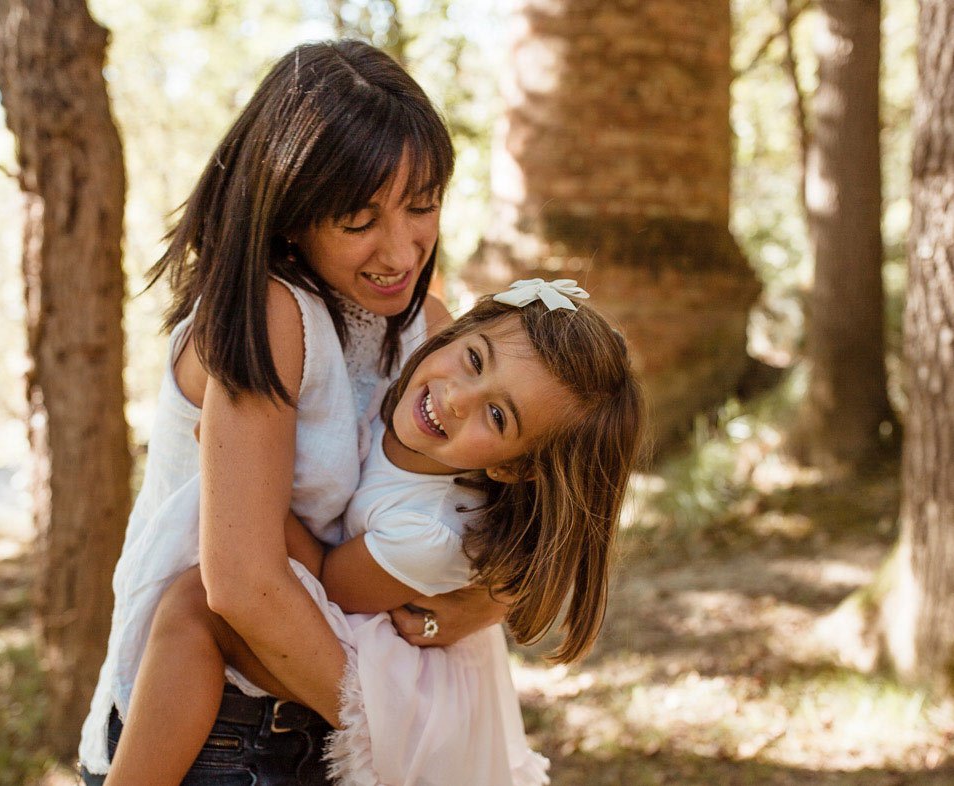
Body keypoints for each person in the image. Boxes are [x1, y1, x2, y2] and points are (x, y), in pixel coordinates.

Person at [78, 40, 505, 785]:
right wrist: (397, 726)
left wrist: (481, 605)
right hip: (219, 735)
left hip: (325, 723)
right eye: (357, 219)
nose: (400, 250)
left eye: (422, 205)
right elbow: (242, 585)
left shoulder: (426, 329)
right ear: (289, 213)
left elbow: (496, 514)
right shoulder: (270, 314)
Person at [103, 280, 645, 786]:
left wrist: (235, 471)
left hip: (388, 652)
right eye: (476, 360)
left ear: (512, 468)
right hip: (358, 607)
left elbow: (328, 581)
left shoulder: (429, 532)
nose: (460, 397)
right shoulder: (416, 372)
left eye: (498, 416)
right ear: (455, 333)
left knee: (194, 607)